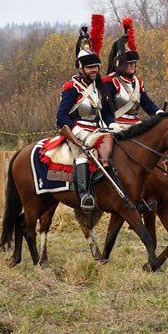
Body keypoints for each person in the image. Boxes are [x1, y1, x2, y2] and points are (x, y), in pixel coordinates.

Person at [56, 17, 117, 209]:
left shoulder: (99, 87)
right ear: (81, 68)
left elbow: (106, 112)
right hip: (77, 133)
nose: (94, 70)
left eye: (96, 67)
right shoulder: (72, 87)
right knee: (82, 153)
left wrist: (112, 124)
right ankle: (84, 196)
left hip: (98, 131)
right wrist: (77, 132)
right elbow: (61, 116)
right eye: (90, 67)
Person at [102, 17, 165, 130]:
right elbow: (104, 107)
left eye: (134, 63)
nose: (132, 65)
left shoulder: (138, 82)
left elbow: (146, 103)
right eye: (129, 63)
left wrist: (158, 112)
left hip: (136, 124)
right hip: (117, 125)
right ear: (119, 64)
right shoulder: (110, 81)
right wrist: (111, 123)